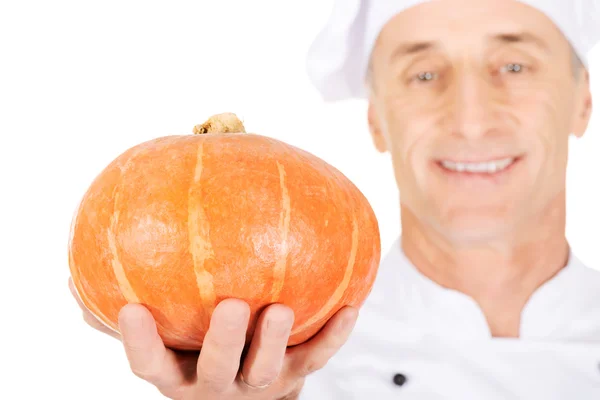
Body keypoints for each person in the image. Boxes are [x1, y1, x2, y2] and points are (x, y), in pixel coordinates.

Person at [69, 0, 600, 398]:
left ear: (583, 101)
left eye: (514, 66)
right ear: (375, 121)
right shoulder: (289, 360)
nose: (470, 119)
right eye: (424, 74)